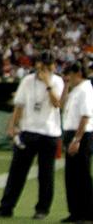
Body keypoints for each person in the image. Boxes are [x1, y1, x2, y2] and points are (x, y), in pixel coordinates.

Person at [0, 51, 64, 219]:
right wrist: (12, 125)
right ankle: (6, 207)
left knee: (46, 174)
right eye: (42, 64)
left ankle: (42, 209)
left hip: (48, 133)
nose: (45, 68)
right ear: (37, 64)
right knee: (16, 172)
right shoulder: (27, 81)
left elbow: (57, 103)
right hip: (28, 131)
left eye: (48, 65)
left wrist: (47, 83)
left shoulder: (57, 81)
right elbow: (19, 105)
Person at [61, 61, 92, 223]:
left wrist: (77, 140)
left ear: (78, 74)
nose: (68, 78)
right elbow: (61, 105)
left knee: (81, 176)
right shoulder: (76, 90)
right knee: (71, 176)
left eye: (70, 75)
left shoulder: (85, 90)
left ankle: (85, 213)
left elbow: (85, 116)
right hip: (71, 133)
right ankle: (75, 212)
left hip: (81, 135)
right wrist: (66, 86)